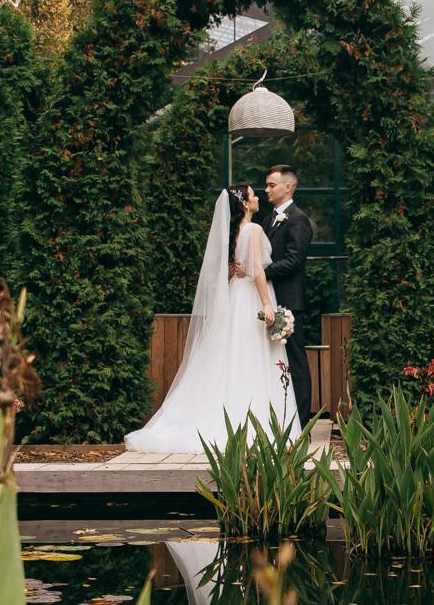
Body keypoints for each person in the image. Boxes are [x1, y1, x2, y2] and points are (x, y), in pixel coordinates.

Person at [125, 185, 297, 452]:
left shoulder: (231, 234)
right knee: (253, 356)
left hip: (233, 298)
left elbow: (226, 270)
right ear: (243, 204)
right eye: (252, 195)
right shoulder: (253, 230)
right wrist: (267, 303)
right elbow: (257, 273)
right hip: (251, 297)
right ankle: (257, 423)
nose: (257, 198)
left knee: (230, 354)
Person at [256, 164, 313, 421]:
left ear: (287, 186)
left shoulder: (298, 219)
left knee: (295, 361)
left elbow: (294, 260)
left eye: (271, 185)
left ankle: (301, 422)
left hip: (290, 301)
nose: (266, 189)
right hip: (271, 300)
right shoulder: (269, 219)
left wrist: (262, 273)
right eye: (266, 185)